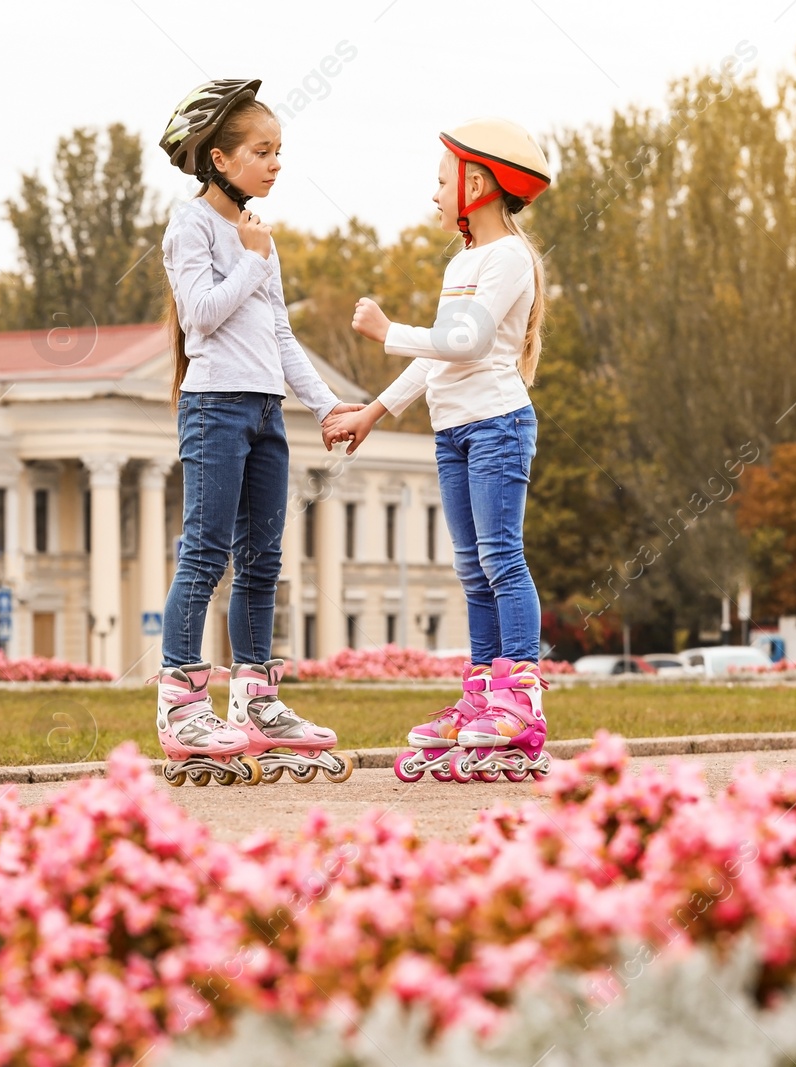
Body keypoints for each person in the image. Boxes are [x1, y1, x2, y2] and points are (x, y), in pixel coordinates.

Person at [325, 118, 553, 784]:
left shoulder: (508, 257)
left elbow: (468, 341)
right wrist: (373, 411)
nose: (433, 194)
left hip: (497, 424)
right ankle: (484, 697)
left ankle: (522, 699)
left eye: (440, 180)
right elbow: (438, 360)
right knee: (470, 568)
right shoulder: (461, 262)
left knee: (501, 556)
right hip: (453, 430)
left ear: (475, 184)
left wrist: (386, 329)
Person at [151, 78, 360, 788]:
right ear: (218, 158)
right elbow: (202, 314)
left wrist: (327, 406)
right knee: (206, 552)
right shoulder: (193, 227)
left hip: (267, 410)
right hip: (214, 407)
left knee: (264, 559)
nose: (274, 165)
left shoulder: (257, 238)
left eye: (278, 151)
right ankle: (181, 700)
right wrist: (249, 255)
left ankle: (255, 699)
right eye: (261, 152)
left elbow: (279, 335)